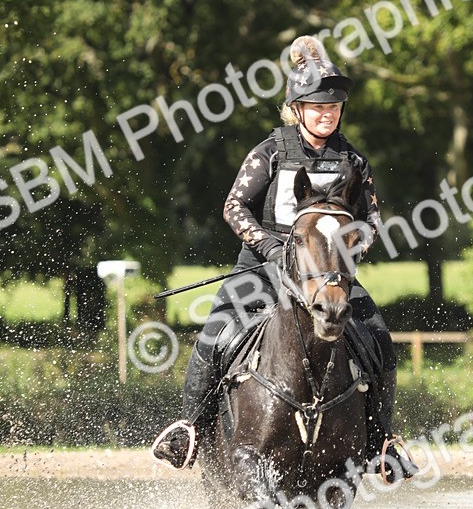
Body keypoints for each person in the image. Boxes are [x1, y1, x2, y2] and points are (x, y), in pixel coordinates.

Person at [154, 35, 418, 480]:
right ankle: (189, 431)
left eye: (334, 106)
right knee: (214, 336)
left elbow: (371, 218)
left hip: (326, 273)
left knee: (378, 338)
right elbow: (234, 207)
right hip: (263, 267)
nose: (327, 113)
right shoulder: (270, 152)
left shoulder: (354, 161)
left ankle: (382, 441)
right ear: (297, 109)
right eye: (318, 106)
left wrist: (347, 251)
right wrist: (272, 248)